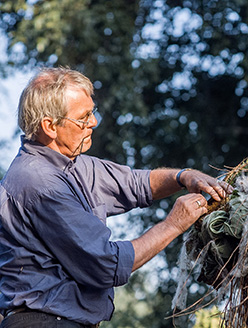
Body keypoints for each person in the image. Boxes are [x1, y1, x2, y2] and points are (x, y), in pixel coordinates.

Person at [0, 67, 231, 328]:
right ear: (50, 126)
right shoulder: (40, 182)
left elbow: (138, 183)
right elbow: (105, 264)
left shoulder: (75, 165)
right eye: (83, 117)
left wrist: (183, 176)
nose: (94, 122)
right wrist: (173, 225)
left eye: (92, 112)